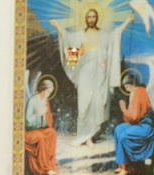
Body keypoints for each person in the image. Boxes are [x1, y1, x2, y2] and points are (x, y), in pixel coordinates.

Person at [51, 9, 134, 146]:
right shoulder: (79, 35)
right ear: (85, 19)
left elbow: (116, 33)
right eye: (89, 17)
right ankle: (82, 135)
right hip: (84, 71)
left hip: (99, 72)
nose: (91, 19)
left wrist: (127, 21)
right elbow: (66, 36)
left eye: (93, 16)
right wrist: (57, 25)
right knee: (83, 104)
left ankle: (89, 137)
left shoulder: (104, 34)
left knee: (96, 104)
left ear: (97, 18)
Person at [113, 72, 154, 175]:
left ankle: (126, 169)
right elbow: (132, 118)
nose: (127, 90)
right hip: (138, 123)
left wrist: (124, 109)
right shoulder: (135, 92)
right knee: (118, 129)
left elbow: (134, 117)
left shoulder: (139, 93)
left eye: (127, 87)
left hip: (146, 127)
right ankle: (122, 165)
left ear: (131, 84)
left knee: (123, 136)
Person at [24, 76, 58, 175]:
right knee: (40, 137)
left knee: (52, 133)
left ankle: (50, 165)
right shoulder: (32, 100)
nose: (48, 95)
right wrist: (38, 114)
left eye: (50, 93)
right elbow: (27, 121)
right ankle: (45, 168)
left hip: (41, 129)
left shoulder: (45, 102)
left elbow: (47, 124)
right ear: (43, 89)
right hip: (29, 132)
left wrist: (47, 116)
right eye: (47, 92)